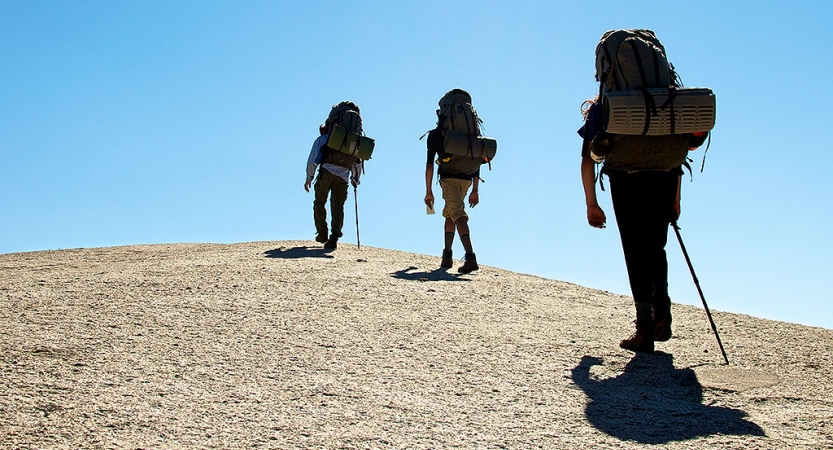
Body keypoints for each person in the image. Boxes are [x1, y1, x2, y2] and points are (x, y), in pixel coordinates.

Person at [579, 97, 683, 353]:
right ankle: (663, 310)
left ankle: (645, 328)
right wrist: (676, 199)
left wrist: (591, 204)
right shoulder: (667, 99)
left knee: (634, 250)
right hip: (666, 178)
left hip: (626, 179)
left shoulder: (606, 106)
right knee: (657, 245)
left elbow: (587, 160)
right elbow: (678, 153)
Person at [423, 90, 482, 274]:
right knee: (449, 213)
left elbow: (430, 165)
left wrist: (428, 191)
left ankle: (470, 257)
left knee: (457, 214)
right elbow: (477, 157)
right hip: (466, 178)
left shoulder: (435, 135)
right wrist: (475, 189)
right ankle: (447, 256)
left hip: (448, 178)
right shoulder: (470, 135)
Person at [304, 111, 363, 250]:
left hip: (326, 172)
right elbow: (358, 162)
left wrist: (309, 178)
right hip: (343, 177)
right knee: (338, 207)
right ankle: (334, 238)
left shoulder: (324, 138)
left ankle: (322, 233)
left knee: (319, 202)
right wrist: (355, 179)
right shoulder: (353, 140)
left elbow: (312, 160)